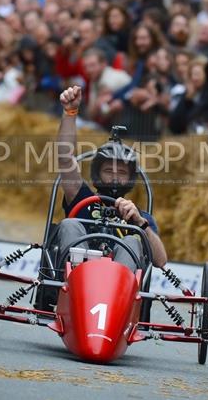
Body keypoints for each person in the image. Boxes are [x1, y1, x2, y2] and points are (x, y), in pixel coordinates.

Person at [48, 86, 168, 286]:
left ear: (130, 178)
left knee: (132, 241)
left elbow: (161, 261)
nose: (114, 177)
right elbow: (65, 158)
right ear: (97, 173)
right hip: (77, 288)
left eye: (121, 173)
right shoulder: (81, 198)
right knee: (69, 224)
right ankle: (76, 282)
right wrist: (70, 112)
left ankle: (115, 287)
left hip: (116, 297)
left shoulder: (138, 216)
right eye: (108, 171)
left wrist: (140, 225)